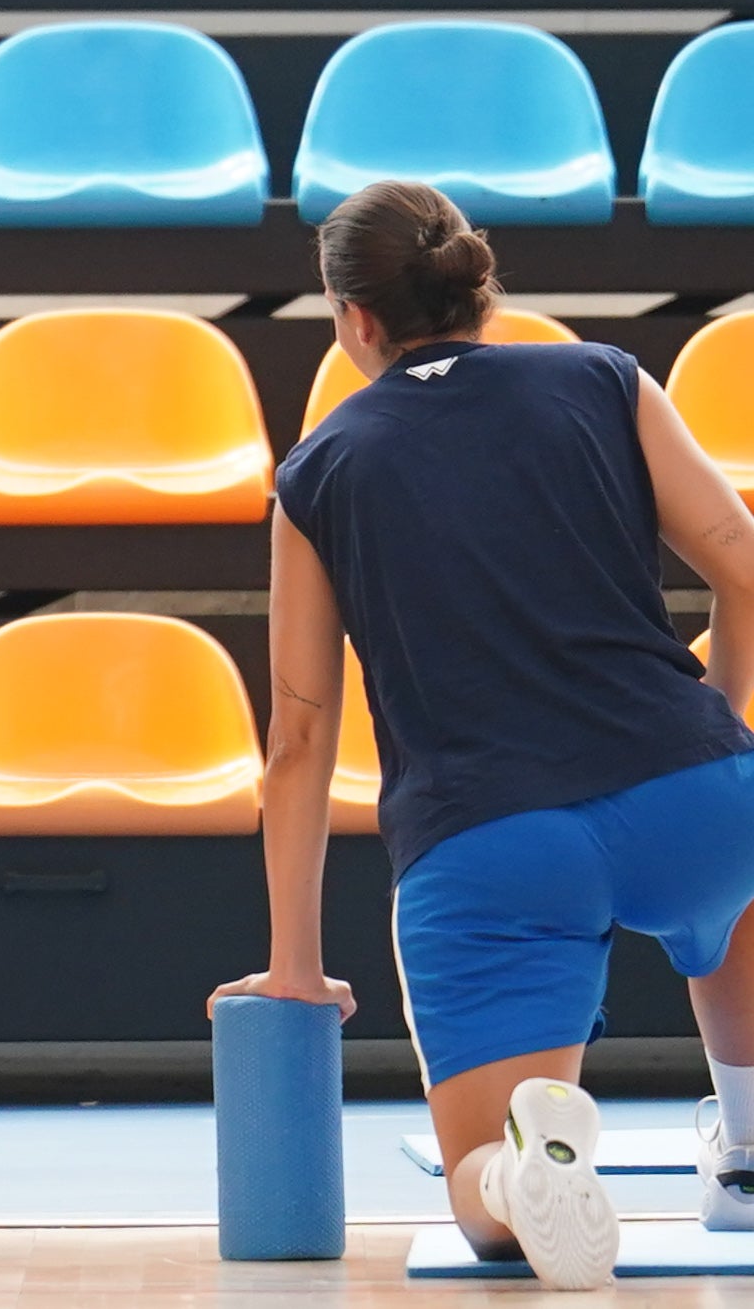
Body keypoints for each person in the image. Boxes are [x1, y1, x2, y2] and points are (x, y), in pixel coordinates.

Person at [213, 179, 754, 1292]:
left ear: (356, 319)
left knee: (487, 1205)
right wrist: (721, 728)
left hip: (489, 841)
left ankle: (520, 1174)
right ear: (480, 290)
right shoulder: (605, 378)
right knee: (737, 886)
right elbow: (744, 567)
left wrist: (296, 967)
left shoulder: (319, 471)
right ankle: (746, 1151)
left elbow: (299, 738)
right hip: (690, 789)